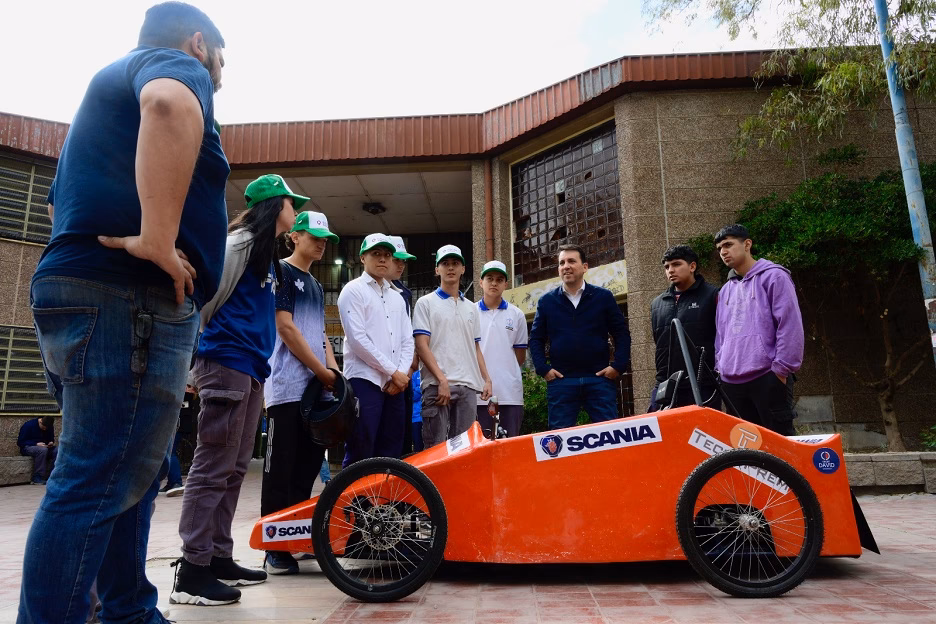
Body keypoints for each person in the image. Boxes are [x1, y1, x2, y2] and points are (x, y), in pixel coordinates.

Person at [21, 3, 229, 621]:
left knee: (125, 472)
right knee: (94, 476)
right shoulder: (171, 66)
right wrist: (158, 241)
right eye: (223, 58)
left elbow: (64, 207)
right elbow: (168, 105)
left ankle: (128, 611)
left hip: (85, 293)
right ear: (199, 44)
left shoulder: (96, 115)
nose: (222, 73)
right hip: (127, 298)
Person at [173, 174, 302, 605]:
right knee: (212, 466)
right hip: (225, 361)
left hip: (250, 367)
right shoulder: (239, 244)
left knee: (233, 466)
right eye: (291, 203)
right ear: (273, 205)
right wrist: (196, 361)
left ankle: (218, 556)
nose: (296, 211)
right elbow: (205, 301)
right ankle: (192, 571)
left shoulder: (266, 256)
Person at [261, 210, 339, 575]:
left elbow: (319, 332)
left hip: (316, 389)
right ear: (294, 236)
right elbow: (286, 328)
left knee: (307, 467)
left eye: (325, 238)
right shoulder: (281, 272)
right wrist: (320, 370)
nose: (321, 243)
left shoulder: (317, 284)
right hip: (287, 387)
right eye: (314, 236)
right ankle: (273, 547)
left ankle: (295, 537)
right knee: (281, 467)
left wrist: (333, 371)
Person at [714, 224, 804, 435]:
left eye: (728, 244)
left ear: (747, 244)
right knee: (747, 453)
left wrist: (781, 369)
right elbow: (721, 335)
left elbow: (790, 325)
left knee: (780, 448)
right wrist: (721, 368)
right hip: (731, 382)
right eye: (719, 248)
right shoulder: (725, 290)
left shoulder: (774, 276)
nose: (723, 252)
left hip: (768, 376)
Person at [529, 245, 631, 429]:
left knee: (609, 436)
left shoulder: (603, 297)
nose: (566, 266)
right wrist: (543, 368)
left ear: (585, 267)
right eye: (562, 263)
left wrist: (618, 366)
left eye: (571, 261)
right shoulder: (546, 302)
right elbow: (536, 338)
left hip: (599, 380)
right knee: (559, 443)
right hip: (561, 382)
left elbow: (621, 333)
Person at [337, 234, 415, 465]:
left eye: (387, 255)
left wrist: (399, 375)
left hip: (396, 384)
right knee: (362, 445)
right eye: (376, 254)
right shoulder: (353, 290)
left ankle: (384, 500)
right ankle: (354, 501)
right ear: (363, 257)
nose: (383, 260)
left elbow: (407, 340)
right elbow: (357, 339)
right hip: (365, 379)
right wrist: (394, 372)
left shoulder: (398, 297)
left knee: (391, 448)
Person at [412, 245, 492, 447]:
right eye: (445, 263)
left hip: (467, 387)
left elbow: (475, 348)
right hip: (436, 386)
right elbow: (422, 346)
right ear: (436, 270)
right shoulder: (425, 303)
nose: (450, 268)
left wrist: (487, 379)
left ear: (463, 269)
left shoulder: (471, 308)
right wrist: (442, 379)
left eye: (455, 263)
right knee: (435, 449)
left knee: (464, 450)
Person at [649, 245, 719, 410]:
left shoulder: (713, 295)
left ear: (692, 266)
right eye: (667, 267)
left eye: (676, 264)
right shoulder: (657, 303)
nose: (670, 270)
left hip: (703, 383)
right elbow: (659, 343)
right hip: (666, 384)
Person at [475, 261, 528, 437]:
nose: (494, 283)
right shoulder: (470, 312)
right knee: (480, 447)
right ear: (481, 282)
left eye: (499, 279)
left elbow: (519, 355)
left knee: (509, 444)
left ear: (506, 284)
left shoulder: (517, 314)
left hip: (509, 393)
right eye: (489, 278)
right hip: (478, 394)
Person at [387, 235, 418, 454]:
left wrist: (405, 373)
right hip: (376, 375)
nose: (400, 265)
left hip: (403, 376)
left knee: (400, 438)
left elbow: (408, 338)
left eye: (403, 260)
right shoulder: (364, 289)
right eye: (396, 259)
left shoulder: (404, 293)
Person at [162, 382, 199, 496]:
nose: (186, 388)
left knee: (170, 452)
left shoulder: (184, 395)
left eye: (188, 386)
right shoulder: (186, 396)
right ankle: (172, 482)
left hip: (177, 426)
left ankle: (176, 482)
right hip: (180, 426)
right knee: (169, 452)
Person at [17, 416, 57, 485]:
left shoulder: (49, 426)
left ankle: (53, 476)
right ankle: (37, 477)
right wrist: (36, 444)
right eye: (43, 427)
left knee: (58, 450)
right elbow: (20, 442)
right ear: (40, 421)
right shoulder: (28, 425)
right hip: (28, 448)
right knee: (42, 450)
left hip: (45, 447)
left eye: (46, 428)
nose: (45, 429)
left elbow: (51, 439)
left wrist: (51, 442)